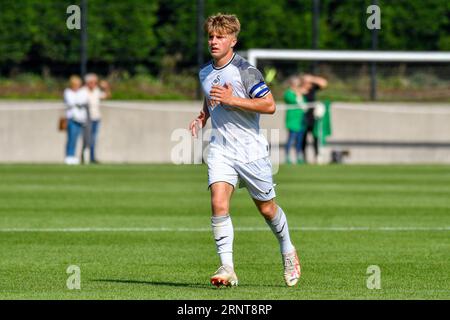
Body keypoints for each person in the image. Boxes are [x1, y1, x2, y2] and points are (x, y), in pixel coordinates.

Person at [189, 13, 301, 288]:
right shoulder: (204, 71)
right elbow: (210, 99)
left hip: (251, 151)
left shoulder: (246, 71)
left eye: (221, 37)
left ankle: (287, 249)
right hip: (221, 149)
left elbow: (269, 105)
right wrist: (202, 117)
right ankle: (227, 267)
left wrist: (233, 99)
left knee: (266, 209)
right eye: (211, 36)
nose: (214, 41)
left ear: (233, 41)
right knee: (218, 202)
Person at [300, 74, 328, 164]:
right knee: (303, 139)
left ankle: (317, 157)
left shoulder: (312, 89)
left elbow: (324, 83)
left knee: (315, 138)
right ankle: (303, 158)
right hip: (302, 118)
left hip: (313, 118)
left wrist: (312, 79)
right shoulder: (299, 90)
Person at [83, 73, 111, 164]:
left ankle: (92, 157)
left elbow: (107, 96)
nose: (94, 84)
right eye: (92, 82)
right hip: (86, 118)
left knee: (93, 139)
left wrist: (106, 87)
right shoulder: (83, 91)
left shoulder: (97, 91)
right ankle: (85, 157)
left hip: (96, 118)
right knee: (87, 139)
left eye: (95, 82)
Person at [63, 75, 88, 165]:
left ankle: (73, 156)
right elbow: (71, 102)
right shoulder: (68, 91)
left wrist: (77, 102)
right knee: (71, 138)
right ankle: (69, 156)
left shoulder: (82, 92)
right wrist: (77, 102)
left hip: (81, 120)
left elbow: (83, 100)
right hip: (72, 119)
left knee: (77, 139)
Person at [284, 75, 307, 164]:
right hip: (292, 121)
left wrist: (299, 95)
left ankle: (298, 157)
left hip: (300, 121)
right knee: (291, 139)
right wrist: (298, 95)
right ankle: (287, 157)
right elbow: (294, 101)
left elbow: (305, 107)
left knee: (299, 140)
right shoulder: (288, 93)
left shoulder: (300, 94)